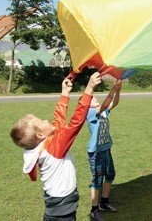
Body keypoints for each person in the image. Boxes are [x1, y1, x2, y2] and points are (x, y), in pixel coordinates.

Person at [10, 72, 102, 221]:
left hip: (57, 204)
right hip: (62, 208)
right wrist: (89, 89)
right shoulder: (53, 149)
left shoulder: (45, 144)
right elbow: (75, 123)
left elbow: (58, 122)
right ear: (40, 135)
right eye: (42, 122)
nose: (46, 120)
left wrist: (64, 94)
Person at [86, 76, 123, 221]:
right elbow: (105, 103)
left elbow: (114, 103)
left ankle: (104, 202)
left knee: (110, 174)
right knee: (97, 179)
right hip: (96, 152)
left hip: (106, 149)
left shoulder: (102, 112)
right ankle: (94, 210)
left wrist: (118, 91)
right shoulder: (90, 113)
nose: (94, 97)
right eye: (92, 97)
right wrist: (112, 90)